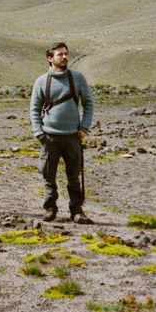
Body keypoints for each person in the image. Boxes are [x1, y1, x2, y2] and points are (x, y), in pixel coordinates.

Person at [30, 42, 94, 224]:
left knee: (74, 176)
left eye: (66, 54)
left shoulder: (78, 78)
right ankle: (50, 208)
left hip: (73, 136)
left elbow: (88, 103)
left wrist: (84, 127)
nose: (65, 57)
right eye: (60, 54)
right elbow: (34, 109)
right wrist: (39, 133)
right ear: (50, 59)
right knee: (49, 176)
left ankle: (77, 210)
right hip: (49, 137)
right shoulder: (41, 82)